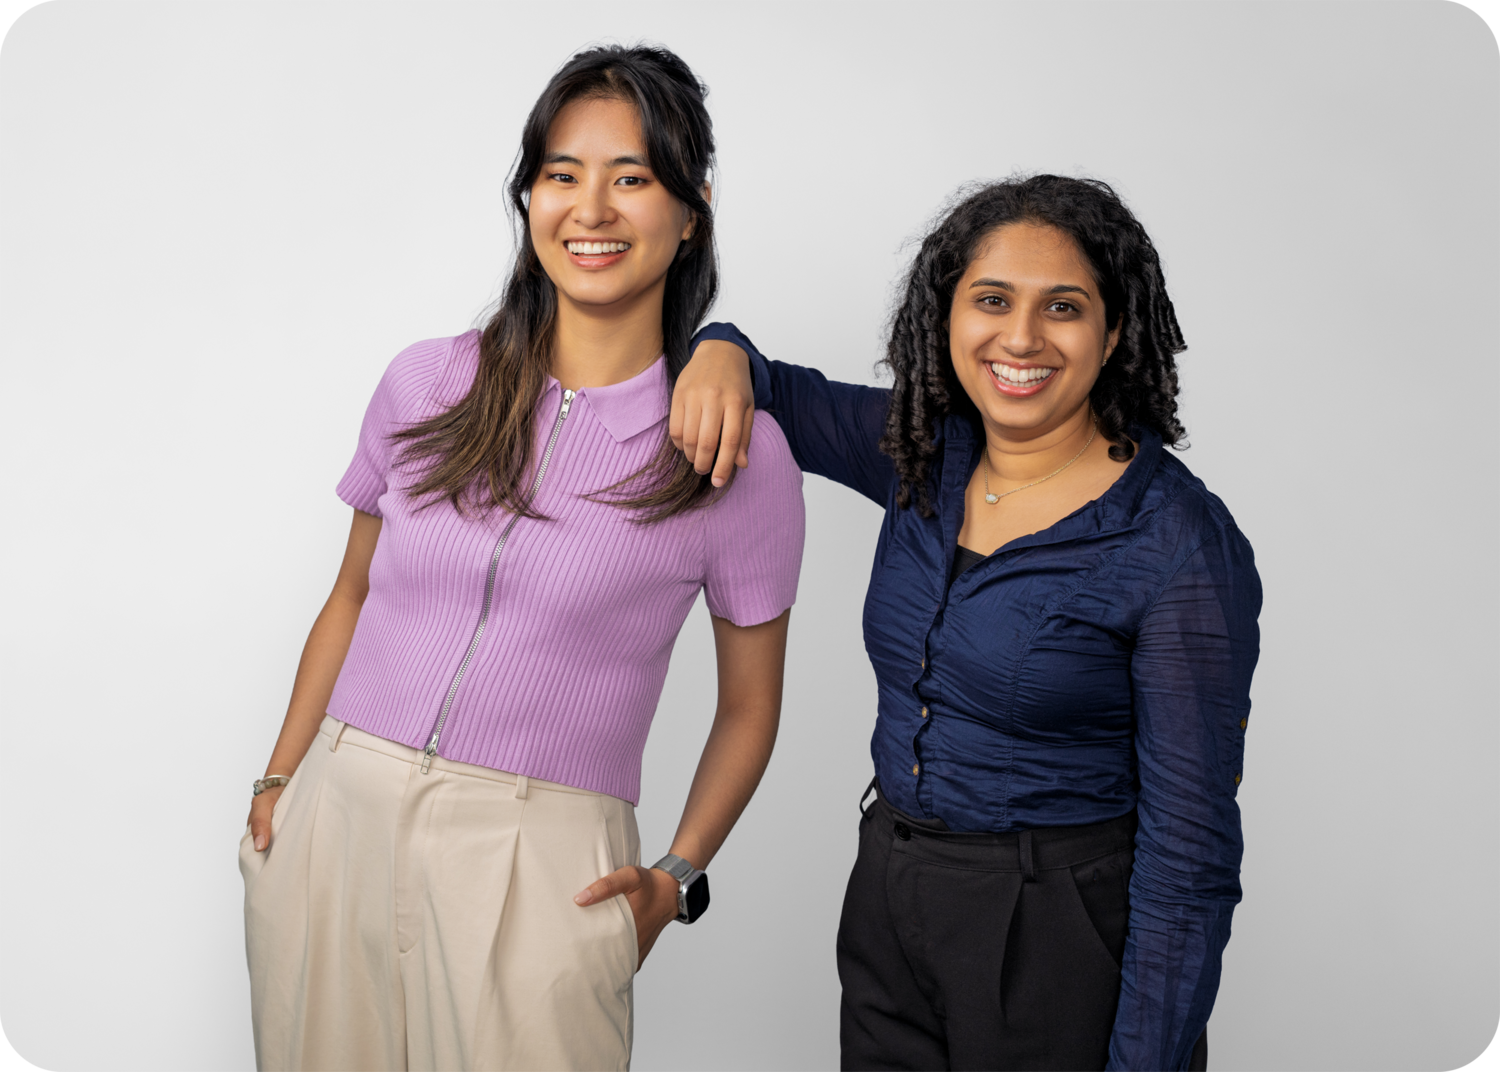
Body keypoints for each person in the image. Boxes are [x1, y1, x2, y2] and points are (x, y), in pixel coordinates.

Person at [239, 44, 804, 1072]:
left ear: (692, 210)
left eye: (632, 177)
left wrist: (676, 875)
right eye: (562, 175)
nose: (592, 208)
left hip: (541, 859)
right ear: (529, 198)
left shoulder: (740, 454)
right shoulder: (426, 382)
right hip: (337, 822)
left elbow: (749, 707)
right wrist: (281, 777)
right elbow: (352, 592)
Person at [674, 175, 1260, 1072]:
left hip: (1057, 930)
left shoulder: (1176, 542)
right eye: (992, 300)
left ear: (1114, 333)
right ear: (945, 317)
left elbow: (1191, 854)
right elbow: (769, 387)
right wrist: (717, 345)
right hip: (890, 898)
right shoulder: (923, 452)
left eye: (1062, 307)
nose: (1020, 337)